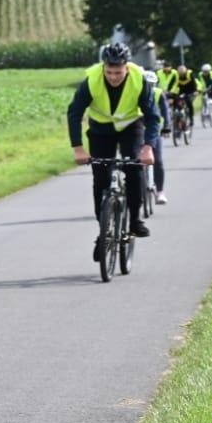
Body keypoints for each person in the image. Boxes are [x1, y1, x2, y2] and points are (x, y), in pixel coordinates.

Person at [67, 42, 158, 260]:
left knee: (134, 169)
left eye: (118, 72)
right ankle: (103, 232)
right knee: (100, 178)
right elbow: (74, 113)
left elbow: (153, 116)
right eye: (109, 72)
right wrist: (78, 148)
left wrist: (147, 147)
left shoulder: (139, 79)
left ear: (127, 67)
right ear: (103, 67)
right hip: (100, 129)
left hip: (130, 126)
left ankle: (134, 220)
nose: (113, 77)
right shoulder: (92, 80)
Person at [144, 70, 170, 205]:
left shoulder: (159, 93)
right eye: (146, 84)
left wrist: (167, 126)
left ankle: (160, 191)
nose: (149, 87)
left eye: (151, 84)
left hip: (155, 132)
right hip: (137, 131)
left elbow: (165, 111)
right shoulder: (135, 92)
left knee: (158, 160)